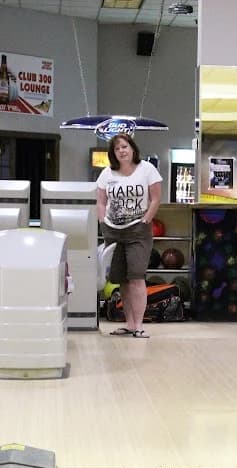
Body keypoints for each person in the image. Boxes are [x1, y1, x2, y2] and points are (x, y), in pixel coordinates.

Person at [96, 133, 162, 338]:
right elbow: (100, 199)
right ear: (113, 153)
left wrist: (147, 219)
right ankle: (130, 324)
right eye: (117, 149)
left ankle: (140, 325)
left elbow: (155, 198)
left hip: (138, 230)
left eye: (125, 146)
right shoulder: (107, 173)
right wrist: (102, 221)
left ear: (132, 148)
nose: (122, 151)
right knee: (121, 279)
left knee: (136, 277)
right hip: (113, 231)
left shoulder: (147, 170)